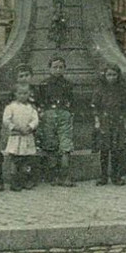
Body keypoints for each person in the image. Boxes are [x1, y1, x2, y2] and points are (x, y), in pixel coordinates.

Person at [91, 64, 126, 186]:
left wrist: (125, 120)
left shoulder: (122, 90)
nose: (112, 77)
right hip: (104, 122)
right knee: (104, 150)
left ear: (118, 76)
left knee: (116, 150)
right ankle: (103, 176)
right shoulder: (99, 90)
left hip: (117, 122)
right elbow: (95, 106)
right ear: (104, 75)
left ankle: (116, 176)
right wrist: (97, 120)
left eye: (114, 75)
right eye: (109, 75)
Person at [38, 56, 76, 187]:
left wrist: (69, 113)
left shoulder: (68, 84)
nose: (58, 70)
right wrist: (42, 114)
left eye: (61, 67)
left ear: (64, 69)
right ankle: (53, 176)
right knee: (50, 145)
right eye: (55, 67)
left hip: (64, 114)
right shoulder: (44, 84)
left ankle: (65, 177)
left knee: (65, 144)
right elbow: (40, 101)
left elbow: (71, 101)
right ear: (49, 69)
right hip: (49, 114)